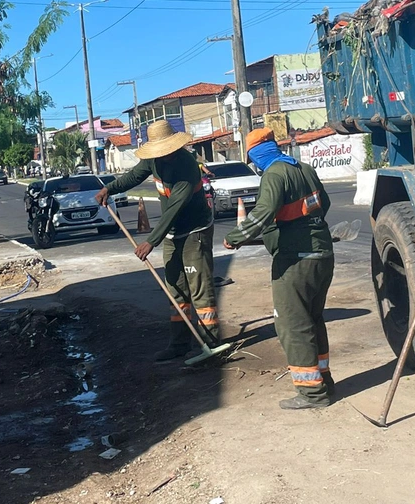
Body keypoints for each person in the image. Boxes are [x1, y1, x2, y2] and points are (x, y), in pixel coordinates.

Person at [223, 128, 334, 410]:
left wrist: (234, 238)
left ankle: (312, 393)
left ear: (255, 155)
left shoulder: (274, 174)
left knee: (292, 324)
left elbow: (262, 214)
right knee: (312, 318)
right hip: (322, 253)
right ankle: (324, 380)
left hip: (295, 259)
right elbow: (325, 203)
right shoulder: (305, 169)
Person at [95, 120, 219, 361]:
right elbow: (132, 176)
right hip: (173, 233)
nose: (164, 155)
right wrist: (109, 189)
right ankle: (179, 343)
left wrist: (151, 241)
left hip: (195, 230)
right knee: (175, 287)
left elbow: (174, 208)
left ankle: (210, 343)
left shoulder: (187, 166)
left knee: (199, 288)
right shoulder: (153, 160)